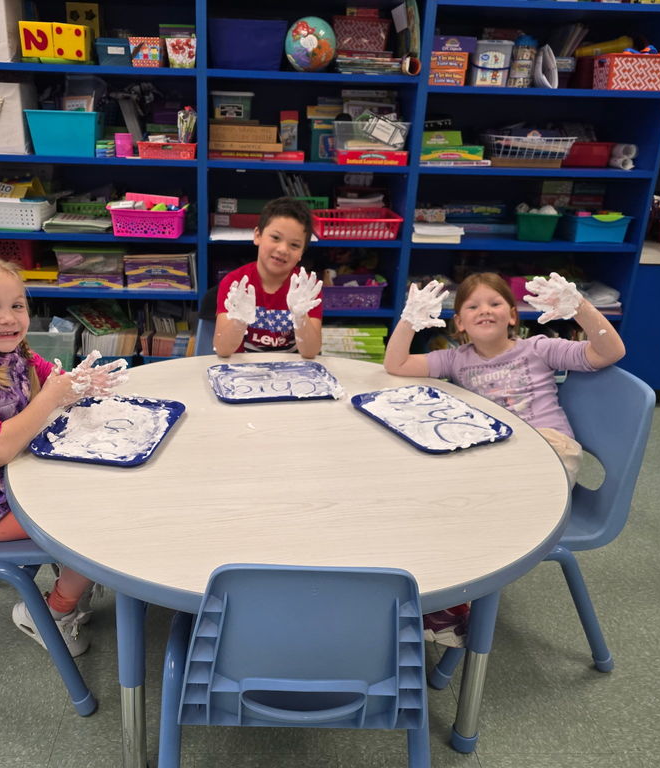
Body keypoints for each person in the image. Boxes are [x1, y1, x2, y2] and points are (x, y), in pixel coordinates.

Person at [384, 271, 626, 647]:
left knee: (467, 503)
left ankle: (455, 604)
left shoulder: (539, 348)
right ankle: (443, 590)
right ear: (459, 323)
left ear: (514, 315)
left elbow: (611, 352)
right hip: (496, 458)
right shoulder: (456, 360)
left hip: (551, 453)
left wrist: (580, 308)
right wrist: (407, 321)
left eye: (495, 303)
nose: (485, 310)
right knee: (429, 490)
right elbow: (396, 365)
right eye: (473, 306)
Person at [0, 256, 125, 657]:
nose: (8, 318)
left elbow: (52, 379)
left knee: (108, 481)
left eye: (17, 305)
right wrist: (52, 396)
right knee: (97, 522)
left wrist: (80, 384)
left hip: (18, 478)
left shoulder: (12, 353)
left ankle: (79, 578)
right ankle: (52, 612)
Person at [214, 197, 324, 359]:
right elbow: (222, 350)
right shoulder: (235, 283)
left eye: (294, 245)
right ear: (258, 235)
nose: (282, 249)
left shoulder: (306, 287)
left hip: (292, 372)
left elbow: (310, 352)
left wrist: (301, 318)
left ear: (302, 252)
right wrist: (238, 321)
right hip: (243, 372)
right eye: (275, 238)